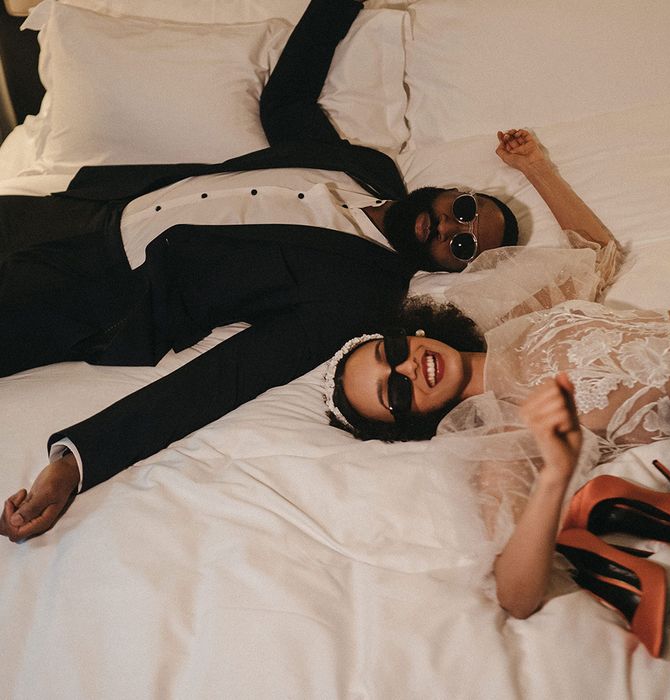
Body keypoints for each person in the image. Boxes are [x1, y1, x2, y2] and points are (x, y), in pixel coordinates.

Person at [0, 0, 522, 543]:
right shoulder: (368, 168)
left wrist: (75, 462)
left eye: (463, 247)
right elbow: (286, 101)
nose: (447, 229)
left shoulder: (363, 294)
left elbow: (230, 376)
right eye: (465, 211)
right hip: (74, 209)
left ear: (453, 268)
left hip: (102, 289)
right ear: (455, 190)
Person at [322, 171, 670, 650]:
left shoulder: (503, 317)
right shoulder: (500, 434)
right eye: (397, 394)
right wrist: (556, 476)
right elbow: (515, 594)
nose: (408, 369)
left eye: (390, 352)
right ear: (413, 422)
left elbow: (597, 251)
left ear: (411, 334)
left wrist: (536, 166)